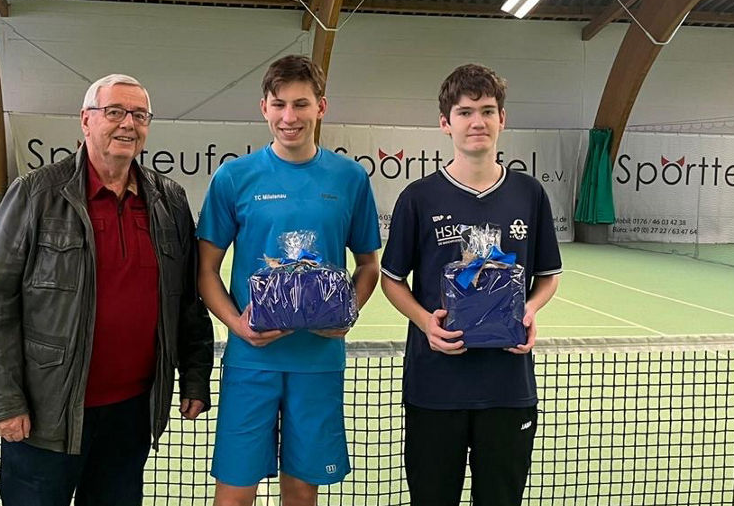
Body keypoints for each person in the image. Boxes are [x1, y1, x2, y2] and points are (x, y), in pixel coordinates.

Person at [0, 74, 214, 506]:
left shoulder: (170, 200)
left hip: (132, 415)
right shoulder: (34, 194)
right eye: (115, 112)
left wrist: (194, 377)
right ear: (86, 121)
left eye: (139, 115)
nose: (128, 124)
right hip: (48, 413)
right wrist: (5, 399)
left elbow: (187, 303)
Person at [196, 55, 382, 506]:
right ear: (264, 107)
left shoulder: (351, 178)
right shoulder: (233, 177)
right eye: (279, 104)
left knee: (301, 493)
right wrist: (236, 325)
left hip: (318, 363)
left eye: (301, 104)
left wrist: (346, 314)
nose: (289, 117)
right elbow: (205, 272)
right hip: (250, 364)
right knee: (235, 494)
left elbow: (368, 266)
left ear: (321, 106)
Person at [379, 64, 562, 506]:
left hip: (507, 387)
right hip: (434, 387)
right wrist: (427, 323)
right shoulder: (418, 197)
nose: (477, 122)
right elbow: (391, 281)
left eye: (487, 110)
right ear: (446, 123)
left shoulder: (529, 193)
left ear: (503, 118)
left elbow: (548, 276)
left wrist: (531, 311)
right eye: (464, 112)